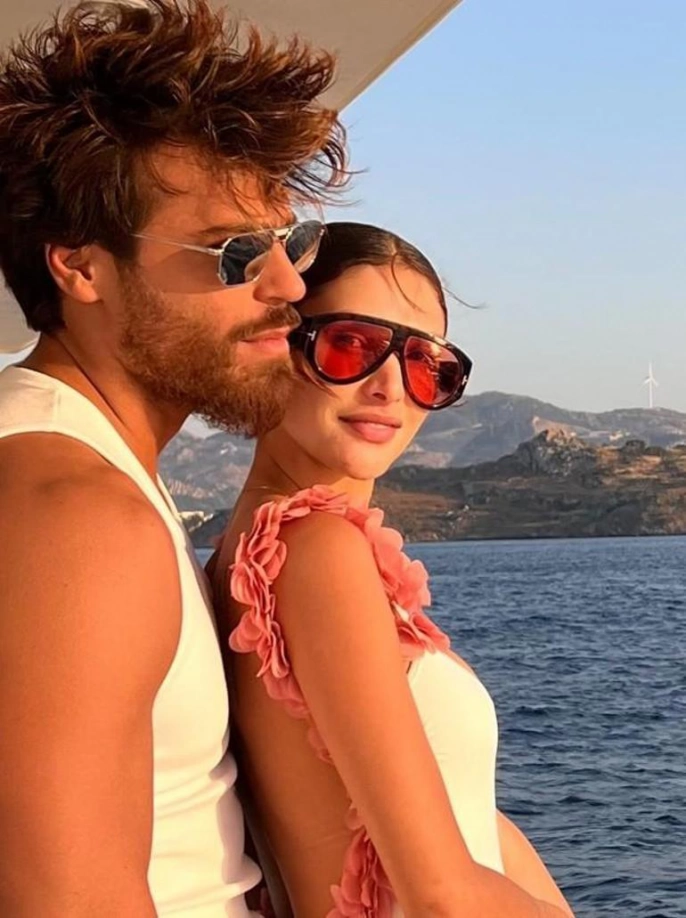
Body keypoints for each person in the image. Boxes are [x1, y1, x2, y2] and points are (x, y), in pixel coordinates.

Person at [0, 0, 348, 914]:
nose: (289, 283)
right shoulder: (74, 514)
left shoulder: (90, 470)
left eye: (292, 242)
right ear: (81, 269)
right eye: (233, 254)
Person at [211, 222, 575, 918]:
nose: (390, 388)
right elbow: (440, 895)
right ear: (279, 341)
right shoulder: (315, 548)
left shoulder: (249, 556)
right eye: (350, 345)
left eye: (427, 366)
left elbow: (473, 820)